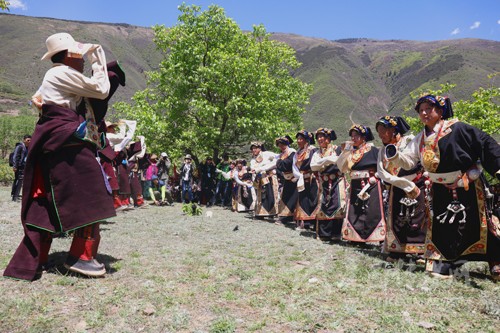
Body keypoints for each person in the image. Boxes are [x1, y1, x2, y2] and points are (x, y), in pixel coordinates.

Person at [4, 32, 124, 280]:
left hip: (58, 141)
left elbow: (39, 100)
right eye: (78, 55)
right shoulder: (60, 73)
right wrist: (96, 56)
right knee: (93, 195)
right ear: (69, 55)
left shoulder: (57, 76)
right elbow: (100, 89)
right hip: (67, 143)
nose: (81, 59)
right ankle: (81, 257)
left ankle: (39, 258)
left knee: (48, 201)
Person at [384, 95, 500, 279]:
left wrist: (497, 166)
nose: (423, 113)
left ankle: (495, 261)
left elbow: (484, 142)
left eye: (428, 109)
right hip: (438, 190)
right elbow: (408, 161)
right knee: (443, 227)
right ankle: (445, 266)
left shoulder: (458, 128)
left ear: (440, 111)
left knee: (478, 225)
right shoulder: (421, 137)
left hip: (466, 186)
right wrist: (396, 156)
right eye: (421, 110)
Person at [376, 116, 428, 264]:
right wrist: (400, 183)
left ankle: (419, 251)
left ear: (394, 130)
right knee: (398, 219)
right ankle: (397, 251)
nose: (380, 135)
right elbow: (381, 172)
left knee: (418, 217)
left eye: (383, 131)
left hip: (416, 184)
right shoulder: (383, 151)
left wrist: (411, 183)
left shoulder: (410, 142)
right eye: (379, 132)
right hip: (397, 187)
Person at [337, 124, 386, 244]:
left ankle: (375, 236)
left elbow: (382, 166)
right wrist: (345, 152)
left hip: (371, 184)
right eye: (352, 136)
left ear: (364, 137)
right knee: (356, 210)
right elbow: (342, 168)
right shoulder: (350, 153)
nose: (353, 138)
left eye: (356, 136)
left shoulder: (374, 150)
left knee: (372, 211)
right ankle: (356, 237)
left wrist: (376, 177)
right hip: (355, 185)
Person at [310, 128, 346, 241]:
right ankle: (324, 233)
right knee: (324, 205)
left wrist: (322, 163)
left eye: (322, 136)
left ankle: (336, 233)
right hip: (324, 182)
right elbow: (313, 166)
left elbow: (341, 163)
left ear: (328, 138)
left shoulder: (338, 149)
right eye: (318, 137)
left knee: (337, 205)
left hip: (337, 181)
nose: (320, 139)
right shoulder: (316, 152)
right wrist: (327, 160)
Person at [292, 130, 319, 230]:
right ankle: (305, 222)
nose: (298, 141)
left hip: (312, 177)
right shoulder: (297, 153)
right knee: (303, 199)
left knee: (313, 199)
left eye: (301, 139)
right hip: (301, 177)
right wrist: (299, 176)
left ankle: (314, 221)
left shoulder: (312, 150)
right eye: (298, 139)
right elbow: (294, 166)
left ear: (306, 140)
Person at [249, 142, 278, 218]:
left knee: (271, 194)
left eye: (255, 148)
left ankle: (273, 212)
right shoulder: (253, 160)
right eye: (253, 148)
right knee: (261, 196)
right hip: (260, 179)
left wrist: (268, 167)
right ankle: (261, 212)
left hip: (269, 177)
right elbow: (253, 169)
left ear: (260, 148)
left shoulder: (267, 154)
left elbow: (278, 158)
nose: (254, 150)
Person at [275, 136, 297, 224]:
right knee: (285, 197)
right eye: (279, 145)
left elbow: (287, 164)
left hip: (294, 178)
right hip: (286, 178)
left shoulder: (292, 152)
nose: (281, 147)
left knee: (293, 198)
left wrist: (279, 162)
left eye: (282, 144)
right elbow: (277, 165)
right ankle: (286, 216)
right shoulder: (281, 155)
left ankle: (291, 216)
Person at [11, 135, 31, 202]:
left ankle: (14, 194)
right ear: (24, 140)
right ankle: (15, 197)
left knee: (18, 180)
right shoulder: (20, 146)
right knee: (19, 180)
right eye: (28, 140)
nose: (29, 141)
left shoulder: (27, 147)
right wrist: (15, 166)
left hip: (23, 166)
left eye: (30, 140)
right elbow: (15, 156)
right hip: (19, 166)